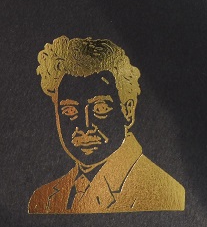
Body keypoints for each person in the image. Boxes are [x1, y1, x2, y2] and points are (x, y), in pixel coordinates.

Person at [28, 36, 185, 214]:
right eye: (70, 110)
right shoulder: (44, 199)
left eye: (100, 108)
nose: (85, 126)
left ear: (128, 111)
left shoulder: (163, 195)